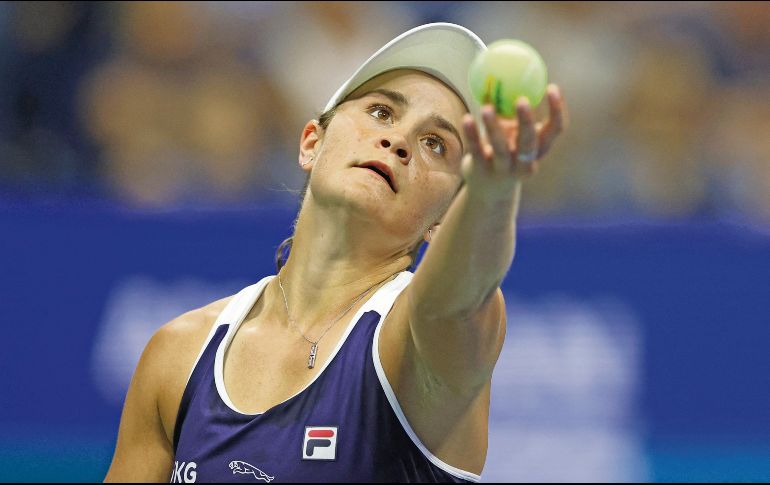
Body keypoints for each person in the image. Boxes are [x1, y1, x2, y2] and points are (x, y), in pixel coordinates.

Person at [104, 23, 566, 483]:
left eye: (436, 144)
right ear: (311, 142)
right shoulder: (178, 355)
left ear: (444, 217)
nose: (399, 140)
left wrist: (492, 187)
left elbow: (459, 291)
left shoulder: (421, 338)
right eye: (382, 112)